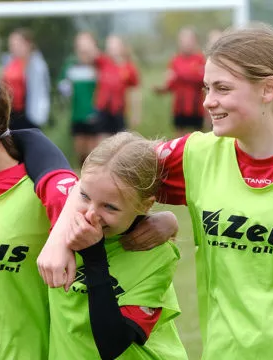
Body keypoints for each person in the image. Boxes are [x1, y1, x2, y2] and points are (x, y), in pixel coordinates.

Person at [31, 23, 273, 359]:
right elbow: (103, 174)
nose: (209, 102)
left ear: (268, 89)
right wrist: (59, 241)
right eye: (206, 88)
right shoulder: (196, 156)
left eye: (222, 88)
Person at [0, 67, 179, 360]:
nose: (89, 213)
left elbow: (102, 208)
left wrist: (163, 221)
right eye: (85, 197)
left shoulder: (45, 194)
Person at [45, 132, 187, 360]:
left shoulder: (156, 255)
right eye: (84, 195)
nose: (91, 214)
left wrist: (94, 257)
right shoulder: (63, 222)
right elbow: (28, 143)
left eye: (109, 207)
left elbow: (112, 344)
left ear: (145, 204)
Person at [82, 34, 141, 136]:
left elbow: (135, 92)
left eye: (114, 45)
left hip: (118, 111)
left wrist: (136, 114)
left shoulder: (129, 68)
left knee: (119, 144)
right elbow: (91, 54)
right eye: (109, 45)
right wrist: (87, 43)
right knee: (101, 142)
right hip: (102, 110)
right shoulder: (104, 62)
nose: (111, 48)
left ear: (121, 47)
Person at [154, 27, 206, 138]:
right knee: (179, 138)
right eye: (183, 40)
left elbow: (202, 79)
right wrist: (162, 89)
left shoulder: (200, 59)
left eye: (189, 40)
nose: (186, 43)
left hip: (196, 106)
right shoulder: (175, 60)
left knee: (199, 137)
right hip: (179, 106)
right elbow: (171, 84)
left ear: (194, 41)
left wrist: (179, 75)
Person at [58, 32, 100, 165]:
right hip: (77, 115)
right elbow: (63, 84)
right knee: (81, 154)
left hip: (96, 114)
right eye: (80, 43)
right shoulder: (71, 64)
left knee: (94, 155)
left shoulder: (99, 64)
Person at [3, 28, 51, 130]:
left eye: (18, 44)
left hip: (30, 114)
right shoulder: (8, 62)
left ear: (27, 44)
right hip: (11, 114)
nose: (14, 48)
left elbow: (42, 90)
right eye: (12, 45)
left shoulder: (37, 65)